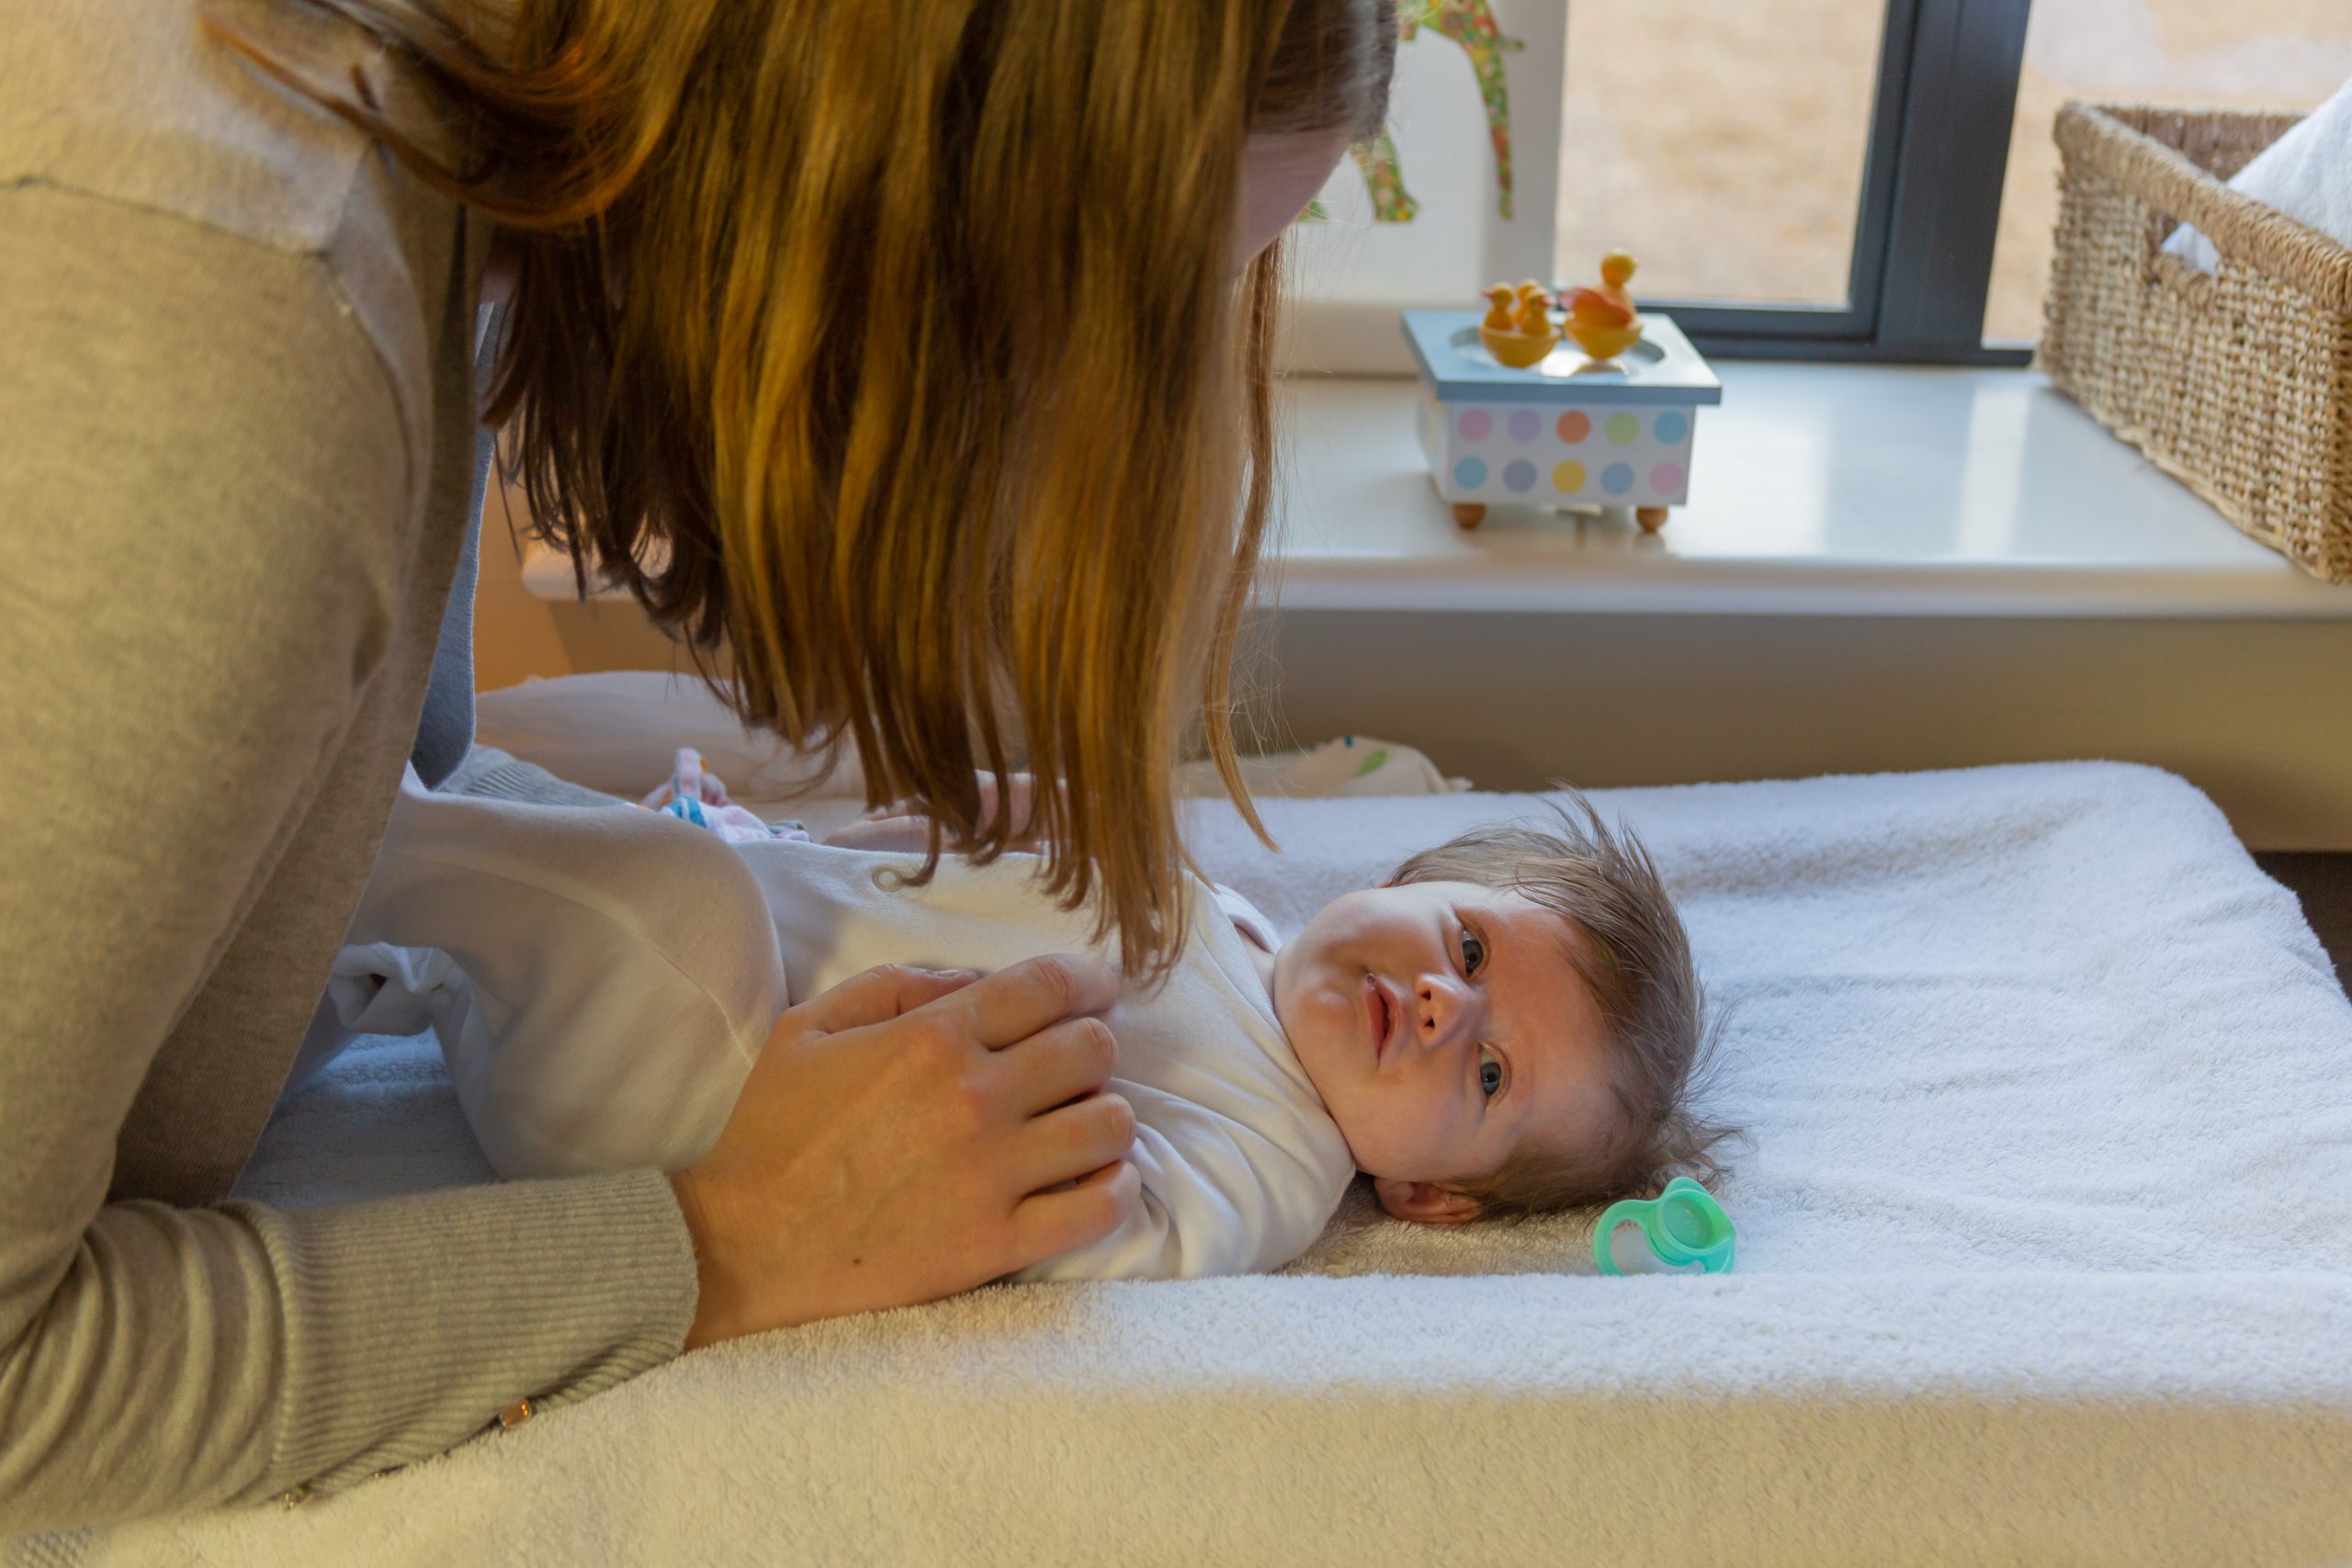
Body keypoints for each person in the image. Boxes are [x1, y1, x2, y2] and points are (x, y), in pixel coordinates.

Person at [0, 0, 1397, 1533]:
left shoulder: (416, 192)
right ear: (891, 186)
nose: (1056, 446)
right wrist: (733, 1238)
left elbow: (359, 815)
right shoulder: (233, 341)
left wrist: (729, 880)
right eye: (1094, 353)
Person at [320, 771, 1737, 1279]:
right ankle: (330, 969)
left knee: (658, 902)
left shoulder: (1278, 1168)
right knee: (574, 862)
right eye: (1469, 945)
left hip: (717, 1103)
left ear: (1431, 1196)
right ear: (1391, 887)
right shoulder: (1224, 915)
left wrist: (1073, 1181)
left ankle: (322, 840)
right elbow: (956, 884)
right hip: (704, 974)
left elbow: (1097, 1230)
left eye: (1489, 1069)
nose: (1444, 1001)